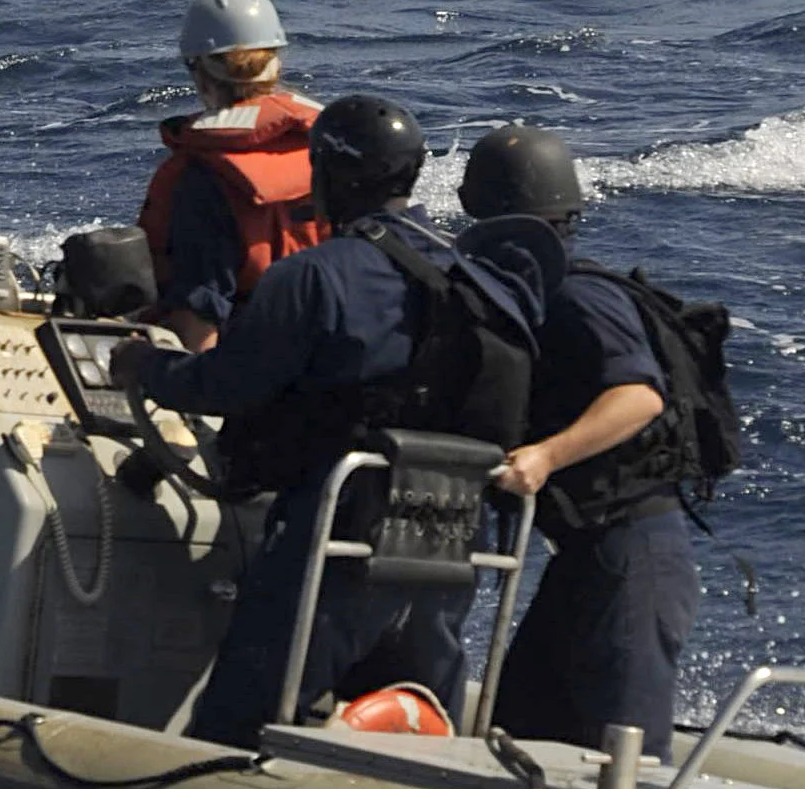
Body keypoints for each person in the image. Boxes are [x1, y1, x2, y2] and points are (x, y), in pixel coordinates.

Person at [119, 95, 539, 747]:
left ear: (329, 177)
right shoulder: (483, 280)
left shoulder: (313, 277)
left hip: (336, 535)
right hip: (450, 540)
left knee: (239, 722)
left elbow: (225, 384)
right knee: (420, 733)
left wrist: (146, 369)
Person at [462, 124, 698, 757]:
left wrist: (545, 456)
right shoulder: (541, 293)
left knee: (624, 756)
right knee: (521, 726)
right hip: (585, 551)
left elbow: (639, 396)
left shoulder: (575, 293)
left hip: (632, 552)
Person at [137, 0, 326, 353]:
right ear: (276, 63)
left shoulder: (202, 176)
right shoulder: (329, 147)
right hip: (334, 355)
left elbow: (199, 320)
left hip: (248, 371)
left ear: (200, 75)